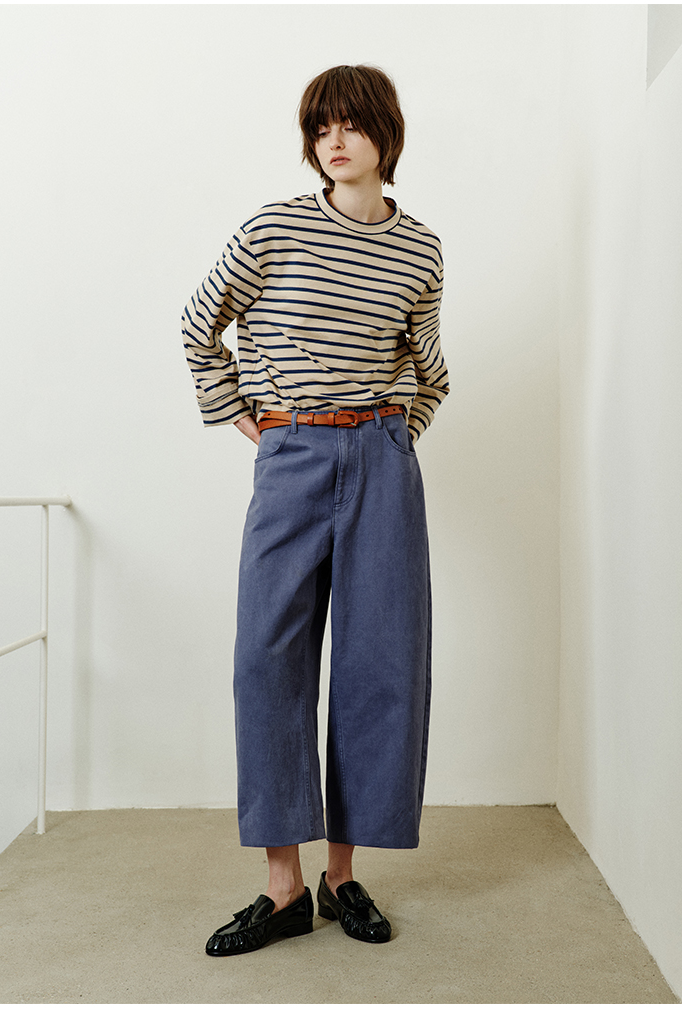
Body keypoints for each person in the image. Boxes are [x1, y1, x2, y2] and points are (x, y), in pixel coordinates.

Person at [182, 63, 449, 956]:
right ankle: (283, 887)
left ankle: (342, 876)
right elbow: (198, 324)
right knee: (268, 658)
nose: (334, 140)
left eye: (351, 123)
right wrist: (245, 417)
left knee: (379, 663)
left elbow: (431, 369)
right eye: (320, 127)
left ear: (384, 134)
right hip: (291, 453)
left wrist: (398, 435)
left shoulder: (420, 250)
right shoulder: (275, 228)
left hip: (380, 459)